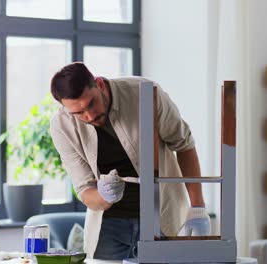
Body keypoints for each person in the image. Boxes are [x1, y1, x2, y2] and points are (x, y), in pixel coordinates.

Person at [49, 62, 210, 260]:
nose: (89, 115)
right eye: (78, 113)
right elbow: (85, 189)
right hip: (109, 227)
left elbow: (184, 145)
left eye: (91, 103)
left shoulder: (146, 95)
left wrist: (198, 208)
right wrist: (105, 196)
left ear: (99, 84)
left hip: (161, 216)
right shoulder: (62, 127)